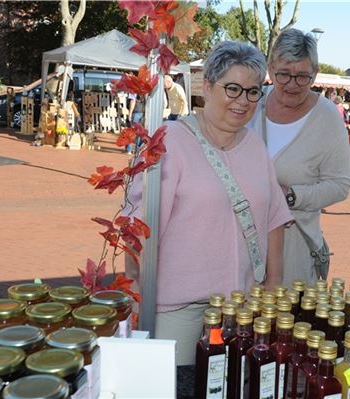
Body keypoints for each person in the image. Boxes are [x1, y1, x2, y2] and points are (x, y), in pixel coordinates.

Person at [126, 41, 292, 373]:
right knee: (174, 387)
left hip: (242, 309)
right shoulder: (169, 141)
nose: (242, 101)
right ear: (208, 86)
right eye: (232, 88)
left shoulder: (256, 147)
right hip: (176, 309)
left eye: (252, 92)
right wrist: (133, 286)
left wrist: (273, 283)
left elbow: (274, 216)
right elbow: (137, 225)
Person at [247, 28, 350, 286]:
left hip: (294, 246)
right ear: (270, 69)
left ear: (314, 74)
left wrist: (291, 195)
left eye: (302, 77)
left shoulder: (327, 118)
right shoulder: (250, 104)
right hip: (240, 240)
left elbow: (340, 185)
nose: (292, 84)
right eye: (284, 74)